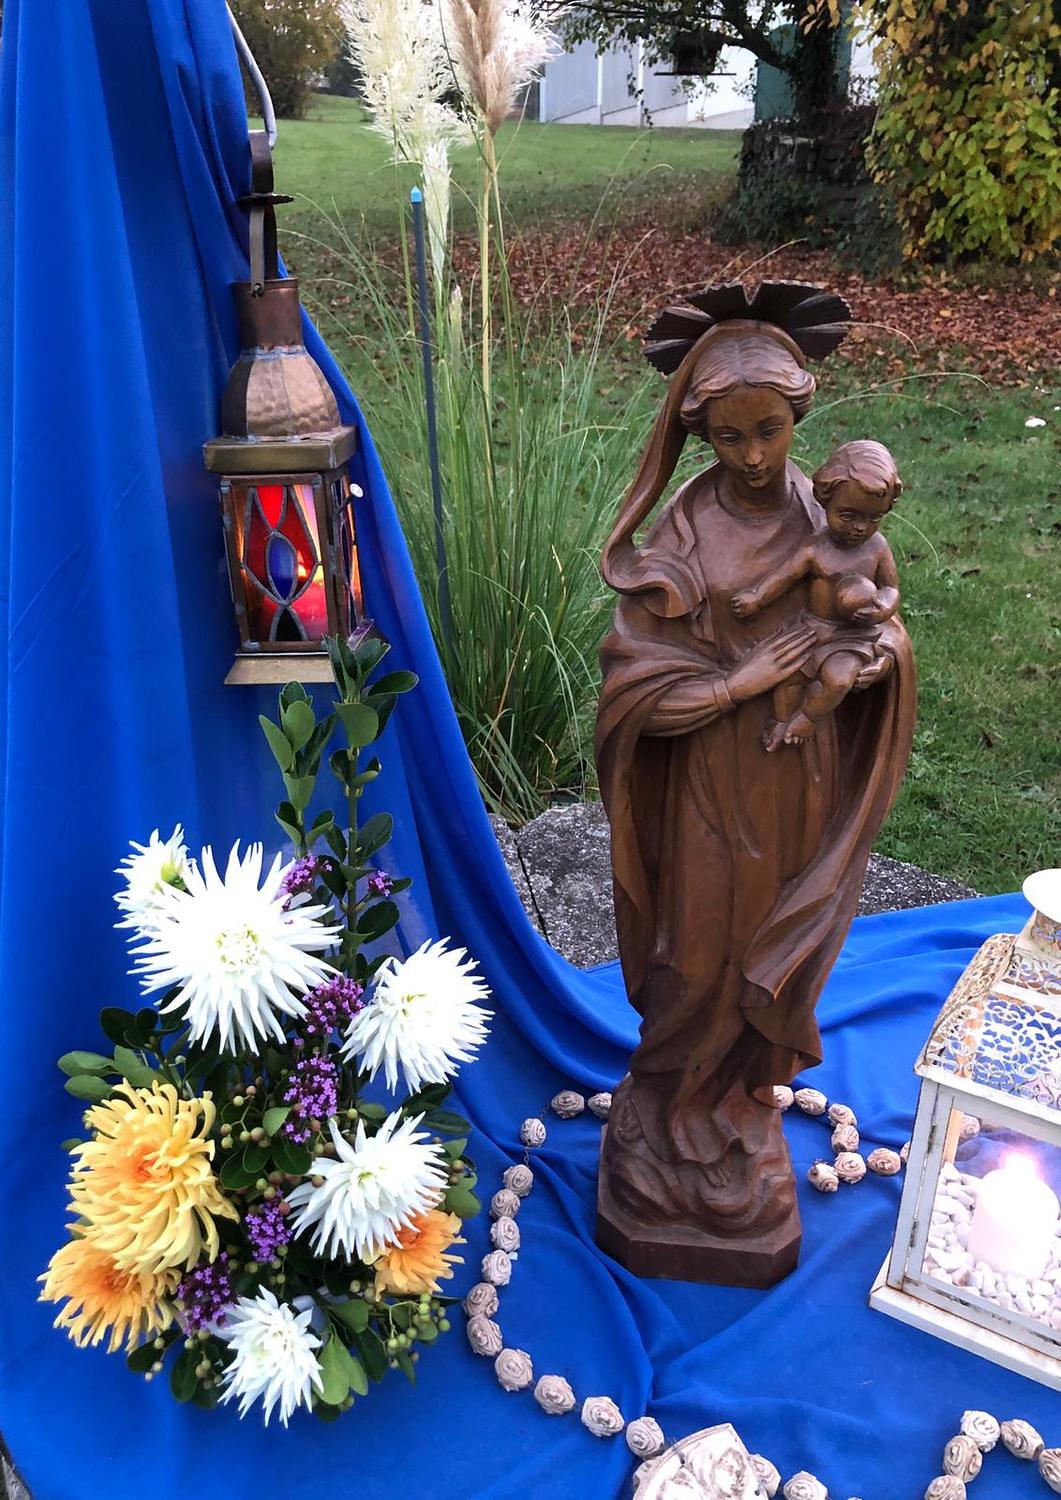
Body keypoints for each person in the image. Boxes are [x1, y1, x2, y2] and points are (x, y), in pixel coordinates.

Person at [595, 285, 916, 1281]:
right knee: (696, 955)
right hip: (704, 787)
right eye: (727, 437)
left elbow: (881, 624)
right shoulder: (683, 539)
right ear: (697, 436)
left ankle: (734, 1103)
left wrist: (876, 662)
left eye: (767, 431)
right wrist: (738, 682)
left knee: (769, 945)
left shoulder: (837, 514)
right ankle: (670, 1103)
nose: (749, 455)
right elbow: (633, 692)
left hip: (795, 778)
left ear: (797, 418)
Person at [729, 439, 903, 751]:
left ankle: (807, 717)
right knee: (786, 680)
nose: (860, 527)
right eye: (848, 515)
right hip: (811, 631)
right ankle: (781, 720)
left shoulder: (877, 548)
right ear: (825, 501)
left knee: (839, 680)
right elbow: (784, 576)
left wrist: (882, 608)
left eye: (874, 518)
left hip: (851, 637)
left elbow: (891, 588)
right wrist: (757, 597)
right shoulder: (815, 549)